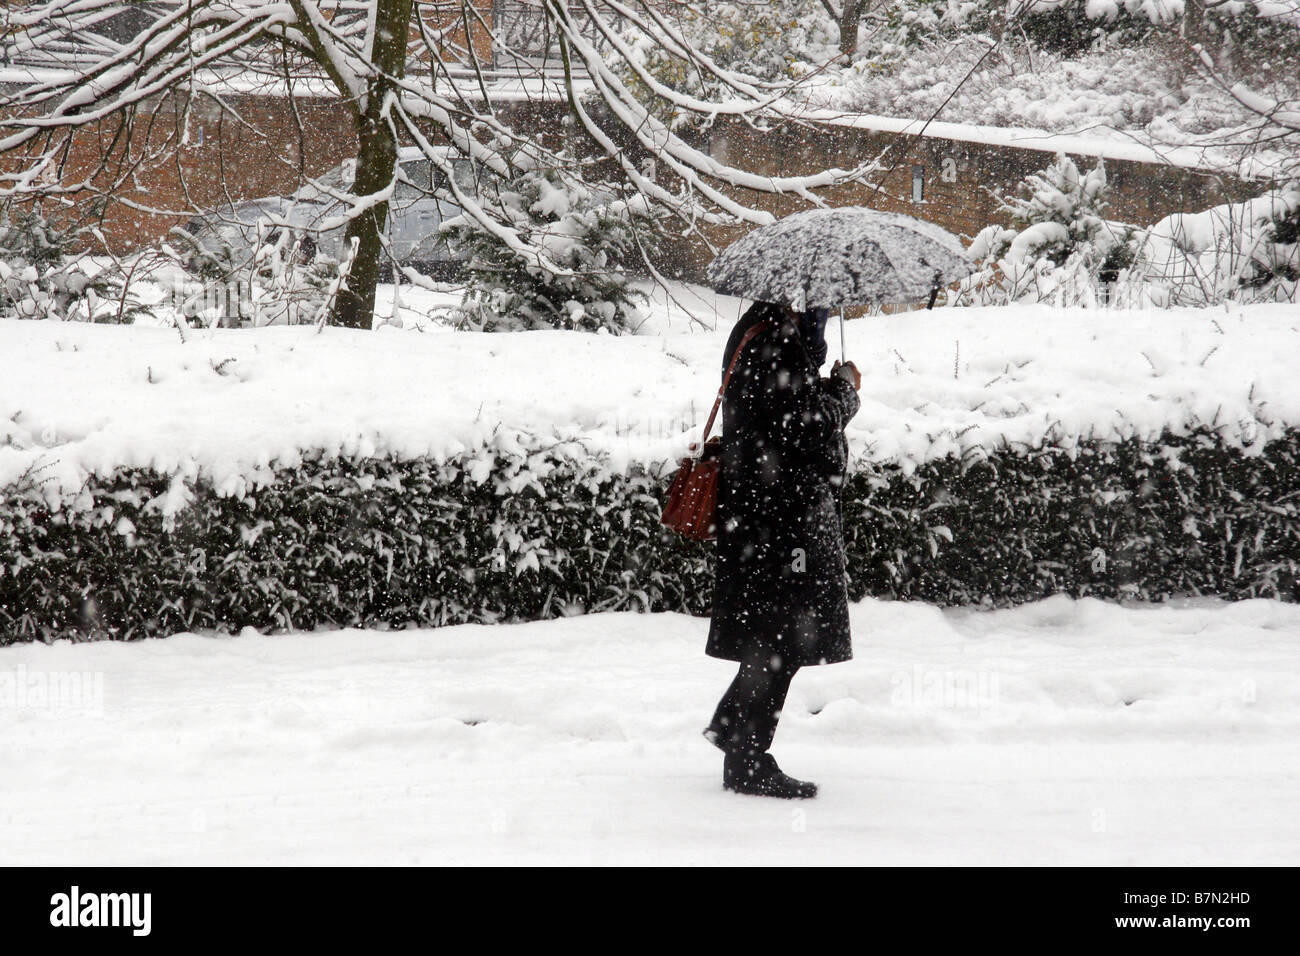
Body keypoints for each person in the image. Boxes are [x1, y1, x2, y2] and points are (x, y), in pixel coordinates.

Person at [703, 301, 862, 798]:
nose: (827, 313)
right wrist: (844, 393)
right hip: (780, 520)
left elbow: (783, 415)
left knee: (774, 637)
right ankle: (746, 759)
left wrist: (817, 371)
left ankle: (734, 731)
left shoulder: (762, 333)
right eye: (820, 307)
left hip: (764, 515)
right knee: (781, 640)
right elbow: (804, 425)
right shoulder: (777, 343)